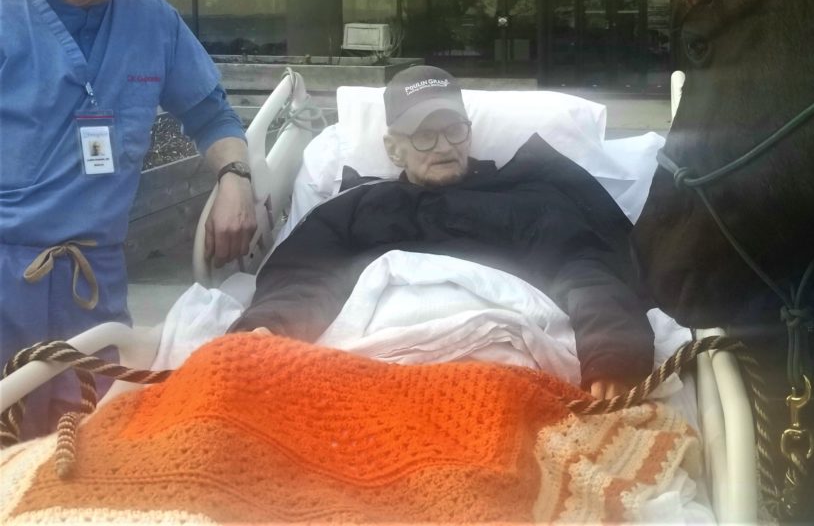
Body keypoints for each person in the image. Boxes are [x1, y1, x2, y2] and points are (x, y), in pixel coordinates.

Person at [0, 0, 257, 435]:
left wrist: (235, 178)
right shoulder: (5, 22)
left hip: (95, 279)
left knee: (88, 443)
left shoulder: (151, 19)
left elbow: (211, 113)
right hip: (5, 270)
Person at [232, 66, 654, 399]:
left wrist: (613, 354)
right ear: (393, 148)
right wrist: (270, 326)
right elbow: (306, 277)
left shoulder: (525, 199)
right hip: (373, 370)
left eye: (454, 130)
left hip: (503, 372)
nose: (445, 146)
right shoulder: (353, 209)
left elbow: (583, 270)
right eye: (424, 136)